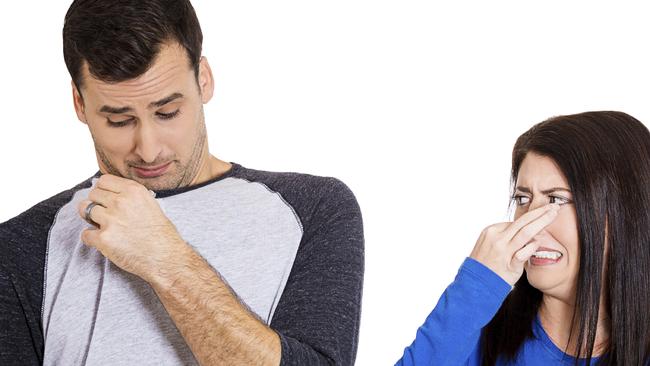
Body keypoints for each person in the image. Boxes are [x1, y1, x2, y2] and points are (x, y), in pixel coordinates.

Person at [0, 1, 364, 365]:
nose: (149, 149)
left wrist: (166, 260)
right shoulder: (24, 246)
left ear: (203, 79)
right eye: (119, 120)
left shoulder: (313, 209)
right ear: (79, 104)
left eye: (167, 112)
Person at [396, 111, 650, 365]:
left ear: (623, 212)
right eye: (523, 199)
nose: (529, 224)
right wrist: (475, 286)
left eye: (556, 199)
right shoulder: (475, 333)